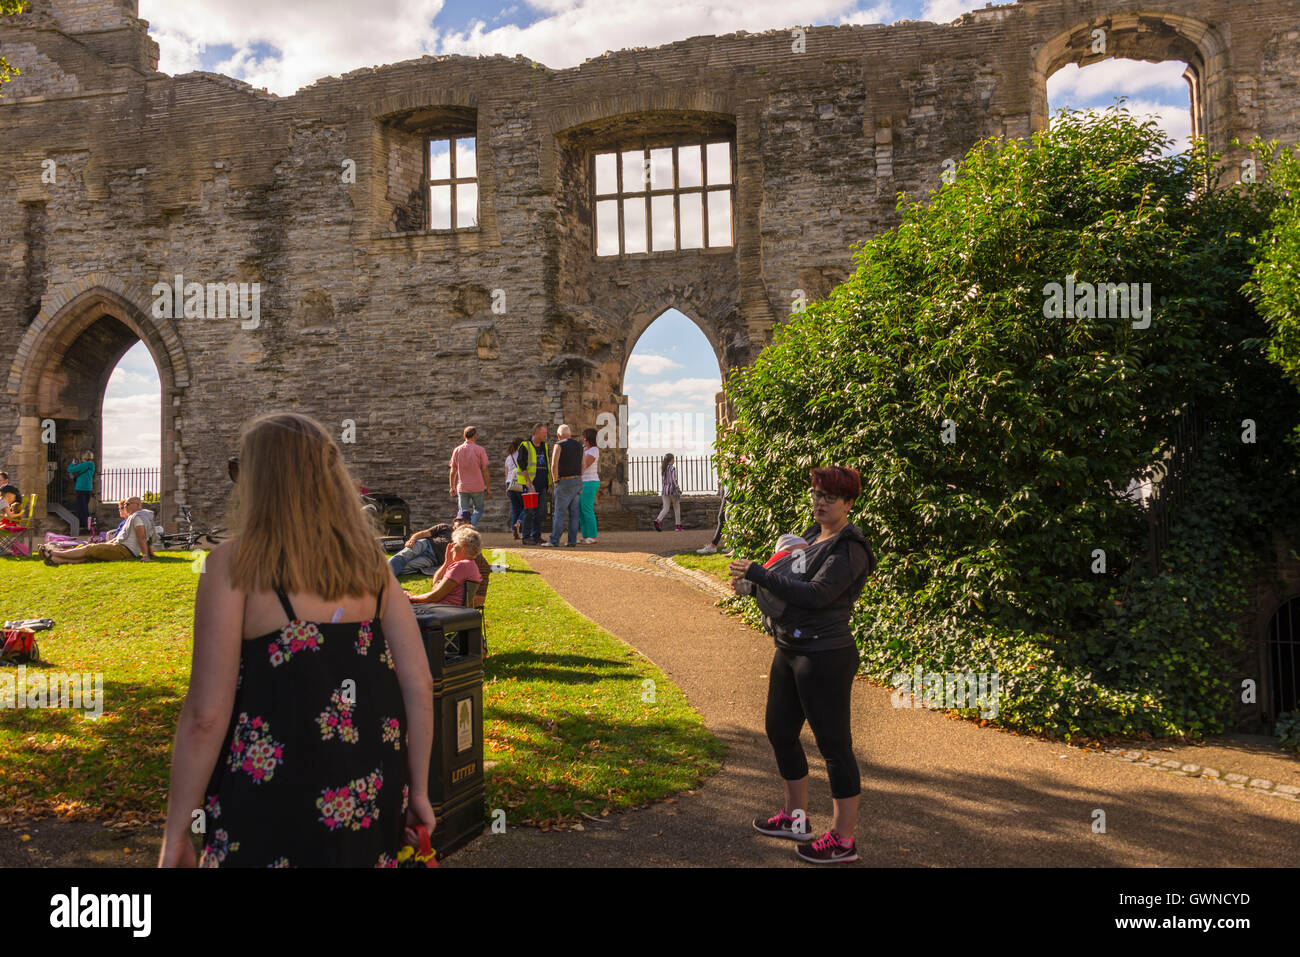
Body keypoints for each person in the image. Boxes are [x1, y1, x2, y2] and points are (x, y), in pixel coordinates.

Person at [158, 411, 435, 868]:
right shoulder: (370, 565)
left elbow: (206, 715)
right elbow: (419, 684)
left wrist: (176, 833)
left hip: (270, 792)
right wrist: (419, 790)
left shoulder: (231, 565)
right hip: (369, 787)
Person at [730, 466, 875, 865]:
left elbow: (815, 595)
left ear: (849, 503)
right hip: (789, 648)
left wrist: (757, 571)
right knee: (779, 731)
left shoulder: (850, 549)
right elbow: (787, 584)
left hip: (824, 655)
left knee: (834, 747)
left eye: (830, 497)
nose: (820, 502)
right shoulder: (811, 537)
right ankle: (796, 819)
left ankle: (844, 840)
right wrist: (754, 586)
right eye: (816, 494)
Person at [40, 496, 152, 564]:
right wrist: (151, 553)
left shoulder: (137, 517)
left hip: (124, 550)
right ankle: (55, 559)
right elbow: (148, 538)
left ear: (137, 504)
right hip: (122, 549)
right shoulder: (136, 517)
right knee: (90, 556)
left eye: (128, 504)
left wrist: (146, 556)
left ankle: (53, 553)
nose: (125, 506)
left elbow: (141, 537)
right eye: (125, 504)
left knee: (90, 549)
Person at [408, 525, 483, 606]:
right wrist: (447, 562)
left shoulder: (461, 566)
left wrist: (410, 597)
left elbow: (433, 597)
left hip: (441, 611)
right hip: (450, 612)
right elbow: (435, 585)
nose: (451, 548)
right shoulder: (471, 565)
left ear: (463, 547)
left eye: (454, 544)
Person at [542, 424, 583, 548]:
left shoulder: (559, 445)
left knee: (559, 513)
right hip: (577, 480)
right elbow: (584, 464)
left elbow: (553, 465)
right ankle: (572, 541)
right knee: (574, 513)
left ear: (559, 435)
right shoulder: (579, 446)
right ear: (570, 434)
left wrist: (555, 481)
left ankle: (554, 540)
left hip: (564, 482)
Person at [449, 426, 491, 527]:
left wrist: (452, 486)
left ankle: (464, 528)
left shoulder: (457, 450)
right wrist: (488, 487)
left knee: (463, 511)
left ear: (464, 436)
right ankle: (471, 525)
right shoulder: (480, 450)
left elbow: (453, 470)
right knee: (479, 509)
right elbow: (485, 470)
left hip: (463, 486)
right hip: (477, 486)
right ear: (475, 436)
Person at [516, 423, 549, 545]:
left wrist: (549, 483)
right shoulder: (525, 445)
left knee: (540, 512)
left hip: (542, 484)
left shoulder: (544, 446)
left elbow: (547, 465)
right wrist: (528, 482)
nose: (545, 435)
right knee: (529, 511)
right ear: (536, 433)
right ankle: (526, 537)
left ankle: (536, 536)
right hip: (530, 484)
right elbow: (521, 464)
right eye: (543, 433)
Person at [578, 428, 600, 545]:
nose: (582, 438)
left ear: (588, 438)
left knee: (586, 508)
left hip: (590, 482)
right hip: (583, 482)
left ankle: (592, 535)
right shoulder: (584, 449)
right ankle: (585, 535)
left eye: (584, 436)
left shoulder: (594, 450)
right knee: (581, 508)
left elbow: (584, 464)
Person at [67, 451, 95, 532]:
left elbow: (69, 469)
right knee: (85, 507)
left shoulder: (84, 464)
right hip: (88, 488)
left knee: (81, 507)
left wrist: (73, 463)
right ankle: (88, 525)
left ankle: (84, 525)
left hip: (80, 488)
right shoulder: (91, 464)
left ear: (84, 458)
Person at [505, 438, 527, 539]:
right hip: (520, 481)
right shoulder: (522, 454)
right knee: (526, 506)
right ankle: (519, 522)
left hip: (510, 483)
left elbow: (507, 473)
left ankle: (516, 532)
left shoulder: (508, 458)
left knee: (515, 508)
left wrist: (507, 488)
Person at [654, 453, 682, 532]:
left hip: (664, 490)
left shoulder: (664, 468)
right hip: (672, 490)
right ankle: (678, 526)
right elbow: (673, 479)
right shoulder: (672, 468)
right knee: (676, 507)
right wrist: (678, 488)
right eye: (674, 459)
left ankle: (657, 520)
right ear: (672, 460)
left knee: (665, 508)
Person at [697, 480, 727, 555]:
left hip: (730, 492)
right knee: (724, 518)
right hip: (728, 491)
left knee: (722, 518)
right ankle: (732, 545)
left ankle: (713, 545)